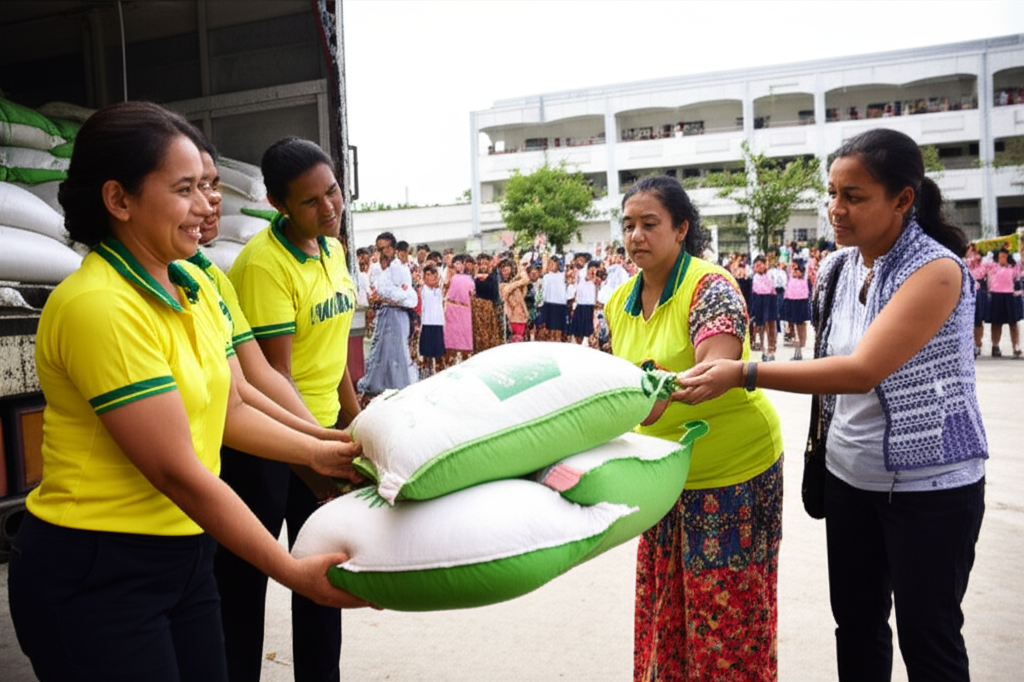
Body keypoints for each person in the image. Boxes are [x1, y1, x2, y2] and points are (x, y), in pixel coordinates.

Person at [8, 103, 369, 682]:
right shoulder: (100, 306)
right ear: (118, 200)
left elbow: (235, 405)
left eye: (206, 186)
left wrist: (322, 449)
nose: (207, 204)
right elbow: (178, 471)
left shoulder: (190, 286)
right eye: (185, 188)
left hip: (185, 556)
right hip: (99, 572)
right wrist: (292, 570)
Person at [680, 128, 987, 682]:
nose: (835, 210)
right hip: (850, 477)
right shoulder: (837, 269)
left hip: (931, 487)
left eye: (854, 196)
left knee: (929, 638)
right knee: (857, 626)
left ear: (902, 200)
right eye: (832, 193)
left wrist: (744, 373)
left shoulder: (936, 271)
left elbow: (861, 370)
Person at [605, 175, 783, 681]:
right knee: (666, 611)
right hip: (663, 478)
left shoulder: (710, 286)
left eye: (649, 224)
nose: (636, 236)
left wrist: (653, 396)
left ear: (681, 229)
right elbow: (611, 380)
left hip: (734, 472)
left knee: (727, 620)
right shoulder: (618, 302)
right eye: (629, 226)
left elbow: (714, 372)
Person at [227, 136, 363, 682]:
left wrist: (354, 422)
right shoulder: (263, 265)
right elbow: (273, 374)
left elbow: (333, 354)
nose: (329, 207)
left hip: (322, 434)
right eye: (310, 201)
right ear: (279, 204)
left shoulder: (331, 248)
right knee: (244, 583)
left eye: (332, 191)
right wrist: (311, 456)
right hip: (269, 442)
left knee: (323, 577)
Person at [358, 231, 419, 395]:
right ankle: (381, 386)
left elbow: (409, 296)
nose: (382, 253)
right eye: (379, 249)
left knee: (398, 352)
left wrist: (389, 298)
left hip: (398, 315)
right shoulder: (377, 269)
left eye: (384, 248)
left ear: (393, 248)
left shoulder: (400, 268)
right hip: (383, 314)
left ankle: (401, 386)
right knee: (381, 350)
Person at [982, 247, 1021, 357]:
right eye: (1000, 256)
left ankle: (1016, 346)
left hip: (1009, 294)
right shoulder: (993, 266)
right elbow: (982, 269)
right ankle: (995, 346)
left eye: (1004, 256)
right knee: (996, 323)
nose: (1002, 258)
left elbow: (1020, 272)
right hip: (996, 294)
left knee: (1013, 323)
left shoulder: (1013, 266)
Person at [442, 254, 474, 366]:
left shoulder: (470, 278)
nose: (460, 266)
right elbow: (445, 285)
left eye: (462, 263)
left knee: (465, 341)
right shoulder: (449, 274)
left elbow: (472, 293)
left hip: (464, 310)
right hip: (451, 308)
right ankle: (449, 365)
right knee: (450, 341)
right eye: (457, 263)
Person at [418, 263, 445, 375]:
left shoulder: (439, 291)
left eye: (432, 274)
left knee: (438, 352)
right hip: (427, 323)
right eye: (427, 274)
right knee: (426, 353)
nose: (430, 277)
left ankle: (438, 372)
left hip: (438, 323)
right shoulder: (423, 290)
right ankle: (426, 372)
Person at [750, 255, 778, 360]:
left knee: (771, 324)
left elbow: (772, 288)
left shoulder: (770, 274)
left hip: (770, 299)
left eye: (760, 265)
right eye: (756, 266)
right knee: (760, 324)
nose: (758, 267)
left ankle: (771, 348)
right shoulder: (754, 277)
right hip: (759, 300)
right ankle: (763, 347)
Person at [498, 257, 530, 342]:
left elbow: (526, 279)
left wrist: (520, 266)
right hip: (510, 319)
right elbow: (506, 290)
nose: (504, 272)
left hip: (521, 318)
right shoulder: (501, 286)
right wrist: (517, 281)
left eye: (507, 270)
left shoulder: (518, 286)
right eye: (503, 270)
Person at [783, 262, 811, 360]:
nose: (795, 272)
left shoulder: (804, 280)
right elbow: (787, 269)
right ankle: (796, 348)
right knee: (792, 326)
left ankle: (801, 346)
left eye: (798, 270)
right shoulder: (790, 279)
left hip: (801, 303)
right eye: (795, 271)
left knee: (801, 325)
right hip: (791, 303)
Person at [541, 256, 569, 342]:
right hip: (549, 304)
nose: (552, 265)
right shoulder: (546, 277)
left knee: (558, 330)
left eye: (554, 263)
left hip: (560, 304)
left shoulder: (563, 276)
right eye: (551, 263)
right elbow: (544, 291)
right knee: (549, 329)